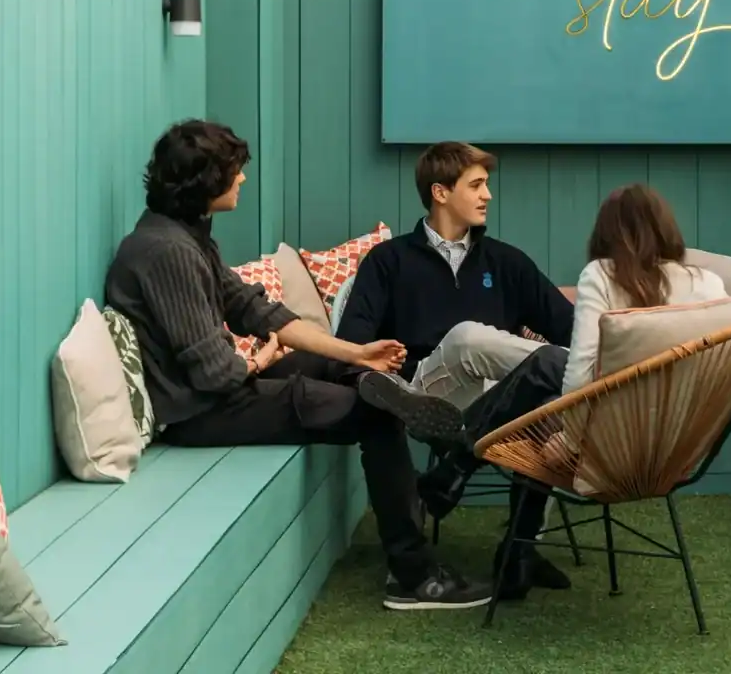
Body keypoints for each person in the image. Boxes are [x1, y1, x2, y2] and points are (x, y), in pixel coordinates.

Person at [103, 120, 492, 611]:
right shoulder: (168, 252)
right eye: (234, 170)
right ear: (204, 179)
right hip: (200, 412)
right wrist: (257, 360)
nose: (242, 178)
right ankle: (415, 577)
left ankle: (394, 402)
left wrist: (355, 353)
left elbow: (255, 310)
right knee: (377, 413)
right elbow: (214, 373)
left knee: (334, 367)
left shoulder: (184, 235)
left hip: (216, 394)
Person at [335, 140, 577, 599]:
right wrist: (378, 365)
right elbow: (352, 341)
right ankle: (478, 444)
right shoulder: (389, 261)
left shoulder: (507, 262)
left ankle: (518, 549)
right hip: (427, 394)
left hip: (499, 404)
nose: (488, 195)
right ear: (440, 192)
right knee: (474, 339)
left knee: (546, 395)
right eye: (477, 185)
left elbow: (569, 329)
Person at [560, 183, 727, 397]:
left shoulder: (600, 274)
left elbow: (577, 382)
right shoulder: (709, 283)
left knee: (544, 367)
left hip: (615, 415)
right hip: (695, 414)